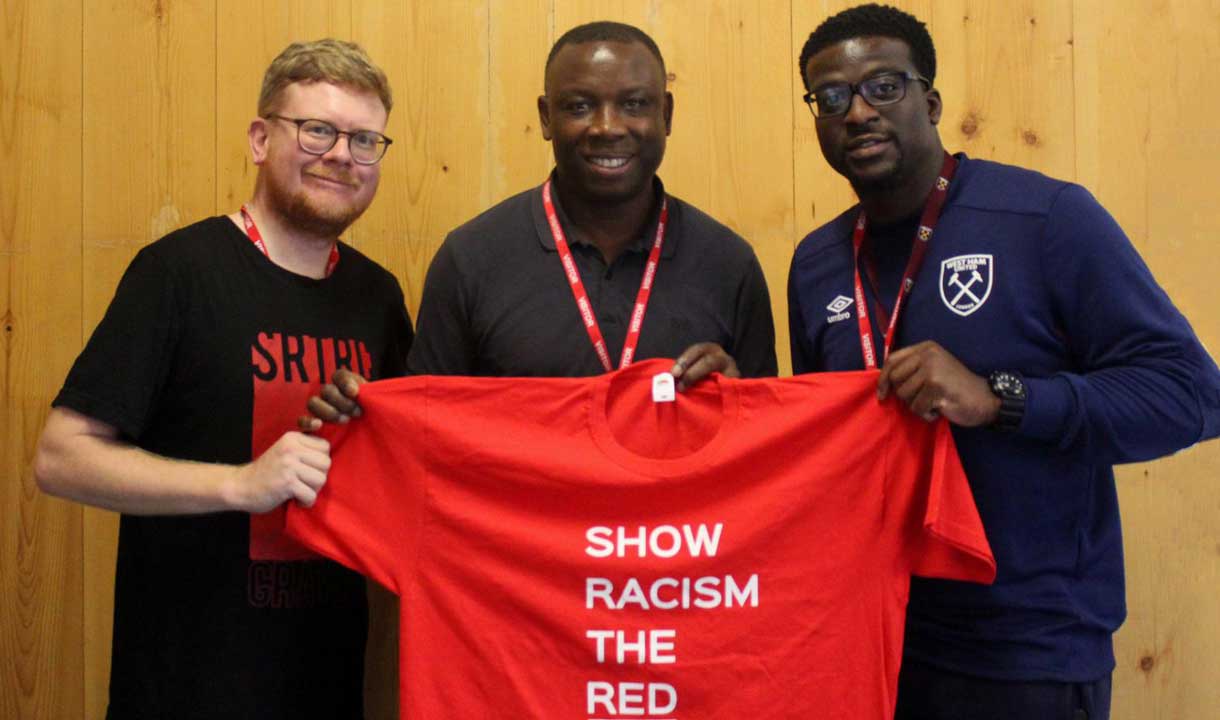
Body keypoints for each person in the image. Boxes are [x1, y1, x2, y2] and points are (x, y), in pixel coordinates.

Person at [788, 4, 1220, 719]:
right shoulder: (817, 264)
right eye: (831, 97)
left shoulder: (1045, 219)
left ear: (929, 101)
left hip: (1027, 653)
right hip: (873, 640)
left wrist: (1000, 399)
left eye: (883, 87)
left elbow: (1192, 397)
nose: (858, 111)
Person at [33, 39, 413, 718]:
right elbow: (61, 458)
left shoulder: (378, 298)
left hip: (326, 683)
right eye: (318, 129)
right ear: (262, 138)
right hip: (186, 686)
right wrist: (239, 484)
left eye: (364, 139)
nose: (341, 155)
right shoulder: (178, 272)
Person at [305, 21, 775, 425]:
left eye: (634, 104)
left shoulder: (729, 263)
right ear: (546, 118)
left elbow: (766, 447)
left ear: (666, 115)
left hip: (679, 533)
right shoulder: (471, 258)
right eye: (578, 106)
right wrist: (358, 418)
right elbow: (427, 433)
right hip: (518, 533)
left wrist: (736, 403)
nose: (607, 126)